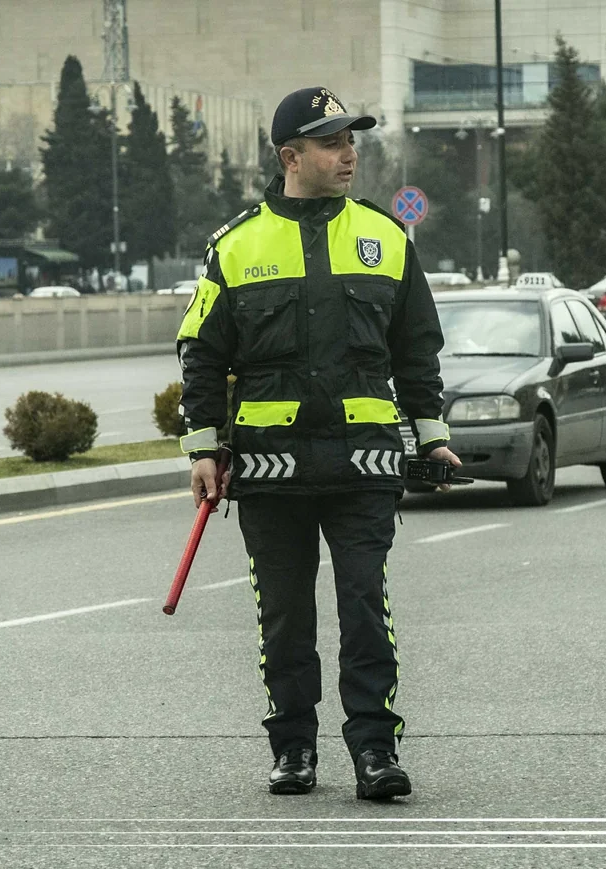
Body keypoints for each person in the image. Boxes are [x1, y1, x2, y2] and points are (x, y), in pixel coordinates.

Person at [175, 86, 459, 800]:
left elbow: (417, 348)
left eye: (351, 141)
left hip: (364, 463)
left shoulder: (387, 238)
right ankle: (293, 747)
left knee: (366, 607)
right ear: (289, 156)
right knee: (285, 617)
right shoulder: (236, 247)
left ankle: (375, 751)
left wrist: (434, 435)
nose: (349, 154)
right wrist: (204, 450)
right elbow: (201, 353)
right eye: (332, 143)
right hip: (271, 475)